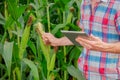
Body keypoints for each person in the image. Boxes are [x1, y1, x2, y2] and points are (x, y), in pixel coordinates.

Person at [42, 0, 120, 79]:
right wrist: (56, 41)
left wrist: (104, 46)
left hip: (111, 76)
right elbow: (84, 36)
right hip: (87, 75)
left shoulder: (117, 5)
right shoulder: (85, 3)